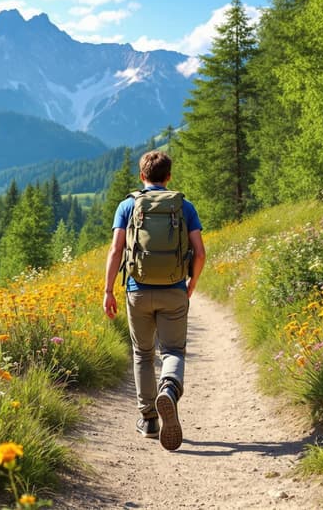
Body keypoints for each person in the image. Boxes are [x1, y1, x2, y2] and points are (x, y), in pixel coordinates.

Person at [103, 150, 206, 451]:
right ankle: (170, 390)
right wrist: (191, 283)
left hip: (137, 289)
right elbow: (200, 253)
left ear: (142, 176)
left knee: (143, 354)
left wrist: (108, 290)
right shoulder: (184, 207)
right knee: (173, 349)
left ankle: (149, 420)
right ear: (169, 177)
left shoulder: (128, 205)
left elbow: (116, 250)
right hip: (174, 289)